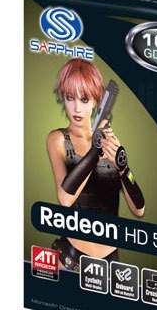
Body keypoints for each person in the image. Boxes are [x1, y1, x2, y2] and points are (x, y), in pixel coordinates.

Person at [47, 58, 145, 271]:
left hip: (111, 263)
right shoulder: (58, 139)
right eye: (70, 98)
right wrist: (95, 150)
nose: (76, 108)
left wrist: (123, 168)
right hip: (70, 259)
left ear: (95, 101)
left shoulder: (110, 142)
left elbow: (139, 209)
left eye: (84, 99)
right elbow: (65, 198)